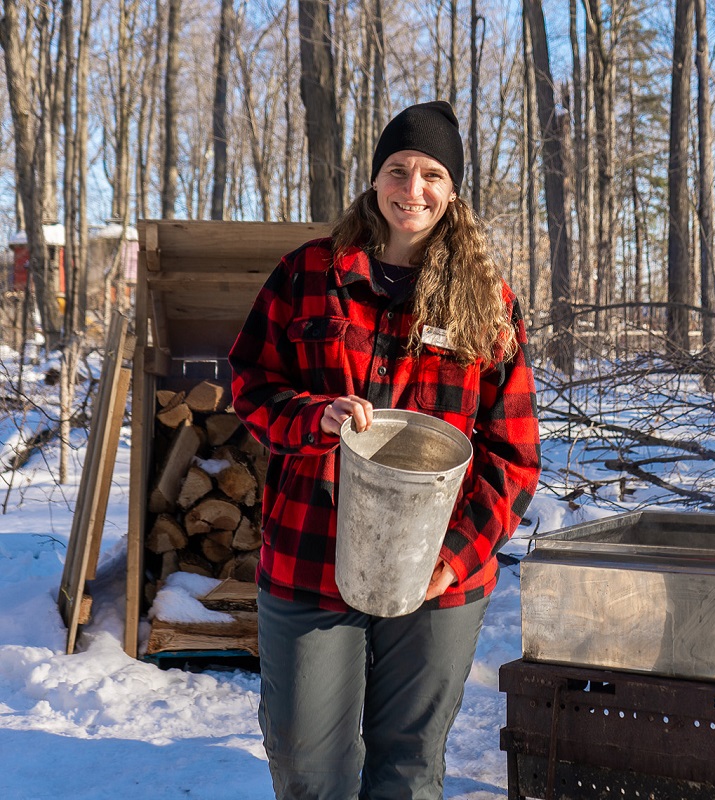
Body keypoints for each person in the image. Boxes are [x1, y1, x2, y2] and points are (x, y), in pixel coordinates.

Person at [229, 100, 541, 800]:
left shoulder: (486, 301)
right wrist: (315, 418)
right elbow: (249, 383)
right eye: (397, 169)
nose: (413, 187)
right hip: (312, 554)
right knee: (310, 767)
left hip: (437, 573)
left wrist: (453, 560)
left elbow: (513, 456)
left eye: (433, 173)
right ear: (374, 180)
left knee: (407, 769)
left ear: (453, 190)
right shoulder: (308, 274)